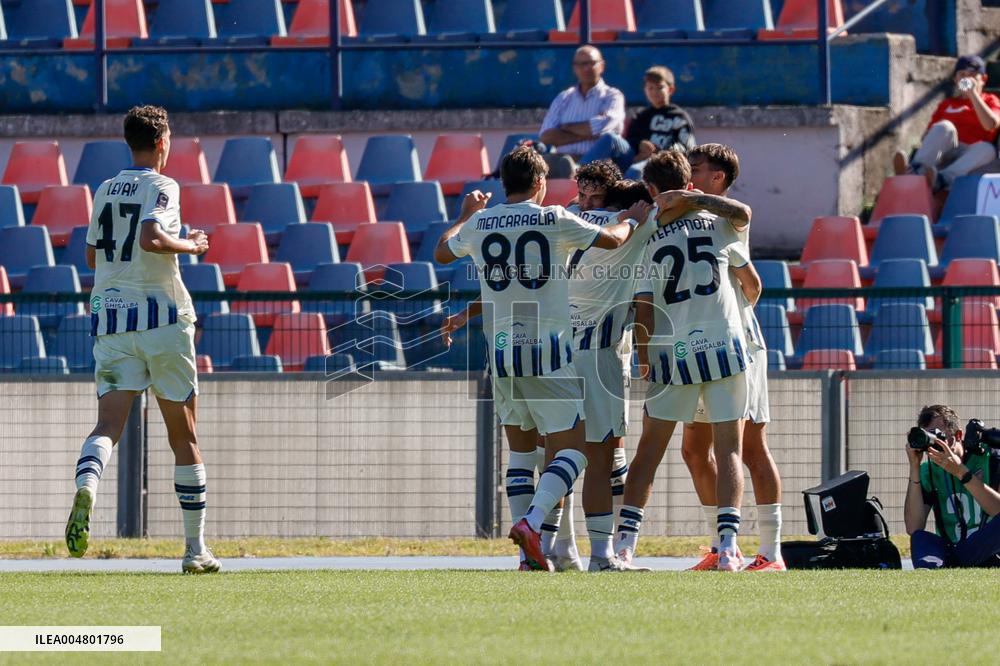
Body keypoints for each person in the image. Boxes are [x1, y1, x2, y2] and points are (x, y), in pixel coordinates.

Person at [434, 146, 645, 572]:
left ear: (502, 184)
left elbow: (441, 252)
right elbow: (612, 239)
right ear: (539, 183)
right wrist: (631, 220)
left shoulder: (480, 222)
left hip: (502, 355)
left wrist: (464, 212)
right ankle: (532, 525)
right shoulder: (553, 217)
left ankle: (527, 558)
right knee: (574, 452)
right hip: (548, 352)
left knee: (521, 456)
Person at [65, 105, 219, 574]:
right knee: (183, 434)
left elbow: (92, 255)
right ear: (162, 143)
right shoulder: (162, 185)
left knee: (107, 427)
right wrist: (192, 245)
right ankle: (195, 550)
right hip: (163, 319)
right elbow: (152, 237)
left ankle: (88, 485)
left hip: (111, 321)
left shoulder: (105, 189)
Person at [616, 150, 762, 572]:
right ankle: (729, 548)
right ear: (689, 185)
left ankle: (625, 546)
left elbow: (643, 307)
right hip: (725, 349)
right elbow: (751, 283)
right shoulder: (718, 224)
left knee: (649, 451)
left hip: (672, 355)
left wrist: (644, 356)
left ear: (651, 190)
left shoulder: (646, 239)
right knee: (729, 449)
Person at [667, 144, 786, 572]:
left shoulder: (727, 219)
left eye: (696, 169)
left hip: (740, 348)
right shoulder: (683, 223)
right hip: (699, 347)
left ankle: (772, 552)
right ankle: (722, 544)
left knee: (751, 446)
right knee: (694, 450)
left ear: (717, 177)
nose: (689, 175)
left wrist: (734, 314)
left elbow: (752, 284)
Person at [905, 405, 1000, 569]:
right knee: (920, 537)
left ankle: (947, 567)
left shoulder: (989, 458)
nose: (934, 445)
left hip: (987, 550)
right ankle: (933, 572)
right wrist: (914, 467)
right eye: (929, 438)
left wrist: (961, 473)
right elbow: (914, 527)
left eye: (939, 436)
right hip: (954, 550)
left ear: (958, 435)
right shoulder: (928, 471)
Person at [893, 55, 1000, 192]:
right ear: (956, 80)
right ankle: (915, 171)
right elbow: (928, 137)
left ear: (983, 79)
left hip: (970, 154)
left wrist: (973, 94)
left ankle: (941, 180)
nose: (966, 79)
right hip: (944, 153)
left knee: (988, 149)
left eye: (972, 75)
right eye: (962, 75)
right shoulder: (947, 104)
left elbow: (990, 125)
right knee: (945, 127)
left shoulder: (991, 100)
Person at [584, 66, 697, 176]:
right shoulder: (641, 116)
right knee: (610, 138)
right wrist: (640, 144)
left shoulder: (680, 117)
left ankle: (629, 192)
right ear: (645, 90)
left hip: (662, 165)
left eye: (659, 87)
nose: (654, 92)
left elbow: (687, 149)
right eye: (650, 88)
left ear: (670, 89)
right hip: (635, 158)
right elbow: (629, 141)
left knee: (635, 171)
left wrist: (657, 153)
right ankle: (579, 172)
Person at [539, 45, 626, 167]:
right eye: (580, 64)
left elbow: (602, 127)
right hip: (562, 162)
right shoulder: (563, 98)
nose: (585, 68)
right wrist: (588, 135)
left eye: (590, 63)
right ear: (574, 68)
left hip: (599, 166)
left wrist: (565, 127)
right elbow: (546, 136)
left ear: (602, 66)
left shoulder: (613, 96)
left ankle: (577, 170)